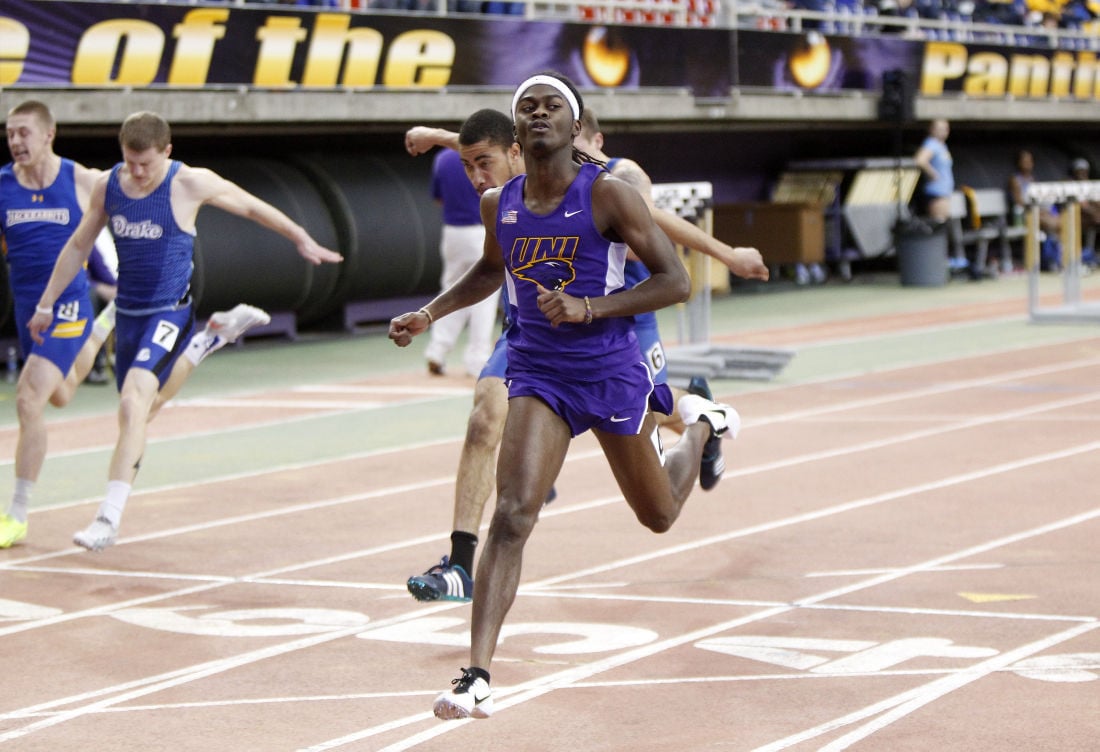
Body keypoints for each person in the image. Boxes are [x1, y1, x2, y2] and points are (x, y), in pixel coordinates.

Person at [390, 72, 742, 721]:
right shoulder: (502, 203)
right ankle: (476, 674)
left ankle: (701, 428)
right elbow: (492, 270)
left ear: (574, 126)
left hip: (609, 369)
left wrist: (592, 306)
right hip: (539, 371)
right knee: (515, 514)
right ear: (518, 129)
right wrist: (429, 313)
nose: (540, 112)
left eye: (553, 105)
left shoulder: (607, 195)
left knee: (658, 515)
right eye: (528, 107)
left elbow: (676, 281)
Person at [402, 108, 768, 605]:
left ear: (586, 137)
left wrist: (727, 255)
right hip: (538, 326)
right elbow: (482, 145)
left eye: (585, 145)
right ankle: (461, 564)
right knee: (487, 414)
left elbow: (657, 224)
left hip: (621, 315)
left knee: (654, 422)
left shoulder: (606, 178)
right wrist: (434, 135)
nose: (475, 177)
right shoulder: (511, 186)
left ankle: (700, 418)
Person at [28, 110, 343, 551]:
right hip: (129, 313)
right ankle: (207, 342)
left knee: (132, 402)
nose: (137, 173)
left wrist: (300, 237)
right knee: (145, 410)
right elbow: (79, 243)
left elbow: (250, 204)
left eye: (146, 164)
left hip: (168, 312)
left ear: (167, 152)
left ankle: (108, 517)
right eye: (129, 163)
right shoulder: (110, 186)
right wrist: (46, 303)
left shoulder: (188, 183)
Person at [422, 146, 501, 377]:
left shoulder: (442, 159)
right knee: (485, 296)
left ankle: (437, 350)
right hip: (481, 231)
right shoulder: (487, 158)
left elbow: (437, 198)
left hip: (452, 232)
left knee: (451, 291)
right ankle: (477, 359)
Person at [912, 118, 953, 224]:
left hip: (944, 192)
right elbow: (920, 160)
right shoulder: (931, 144)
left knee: (944, 224)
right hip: (936, 192)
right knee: (938, 224)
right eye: (939, 128)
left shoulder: (941, 145)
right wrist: (933, 174)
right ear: (931, 130)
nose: (943, 131)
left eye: (945, 129)